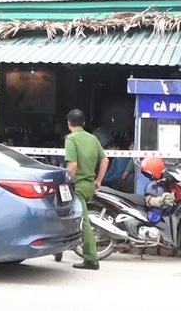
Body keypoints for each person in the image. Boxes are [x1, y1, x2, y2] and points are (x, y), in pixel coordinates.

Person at [64, 108, 109, 270]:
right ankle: (61, 248)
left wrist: (66, 182)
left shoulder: (71, 139)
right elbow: (105, 160)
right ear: (83, 123)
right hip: (89, 186)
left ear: (69, 123)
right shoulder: (93, 139)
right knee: (72, 218)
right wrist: (98, 181)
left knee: (83, 222)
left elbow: (73, 165)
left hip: (77, 187)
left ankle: (91, 259)